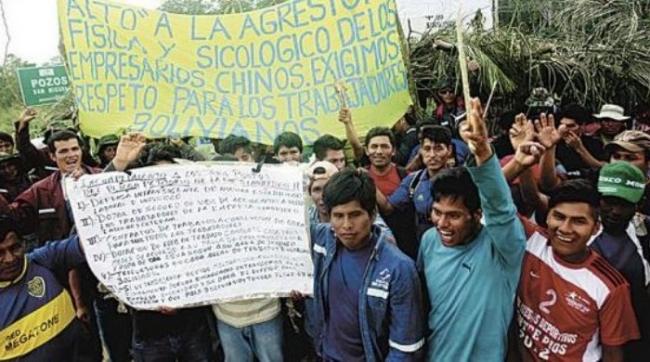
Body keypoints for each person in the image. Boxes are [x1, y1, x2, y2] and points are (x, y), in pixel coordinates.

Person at [418, 98, 527, 361]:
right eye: (437, 212)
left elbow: (500, 210)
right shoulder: (429, 240)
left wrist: (483, 152)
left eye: (454, 216)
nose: (442, 224)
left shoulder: (503, 250)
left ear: (477, 215)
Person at [109, 134, 214, 362]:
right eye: (157, 177)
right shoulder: (127, 216)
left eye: (170, 176)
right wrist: (118, 163)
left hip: (193, 325)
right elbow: (94, 221)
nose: (165, 183)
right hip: (150, 329)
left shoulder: (197, 213)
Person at [516, 179, 640, 361]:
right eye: (559, 217)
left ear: (595, 228)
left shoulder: (611, 288)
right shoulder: (531, 240)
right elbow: (491, 200)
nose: (566, 229)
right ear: (547, 217)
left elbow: (613, 354)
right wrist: (518, 163)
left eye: (579, 221)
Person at [309, 169, 425, 360]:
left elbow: (406, 348)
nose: (346, 225)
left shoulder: (398, 269)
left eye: (355, 215)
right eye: (338, 216)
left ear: (372, 215)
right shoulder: (322, 240)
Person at [0, 217, 86, 361]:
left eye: (15, 248)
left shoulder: (43, 260)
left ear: (23, 244)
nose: (10, 259)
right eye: (0, 254)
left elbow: (88, 244)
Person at [590, 162, 650, 359]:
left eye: (624, 204)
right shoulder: (577, 226)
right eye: (610, 201)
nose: (615, 211)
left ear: (638, 205)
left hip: (634, 337)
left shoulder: (644, 234)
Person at [377, 126, 454, 242]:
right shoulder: (414, 181)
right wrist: (369, 182)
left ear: (449, 150)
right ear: (421, 151)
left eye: (438, 149)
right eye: (427, 149)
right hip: (424, 247)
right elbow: (388, 208)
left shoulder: (461, 179)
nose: (432, 155)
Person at [364, 127, 418, 258]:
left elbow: (388, 209)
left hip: (405, 246)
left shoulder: (406, 176)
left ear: (393, 151)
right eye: (374, 147)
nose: (379, 151)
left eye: (384, 146)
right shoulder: (359, 177)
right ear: (366, 150)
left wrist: (367, 181)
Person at [555, 103, 607, 172]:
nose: (565, 129)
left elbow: (601, 167)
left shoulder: (595, 144)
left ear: (582, 126)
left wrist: (579, 148)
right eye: (562, 125)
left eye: (570, 126)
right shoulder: (555, 144)